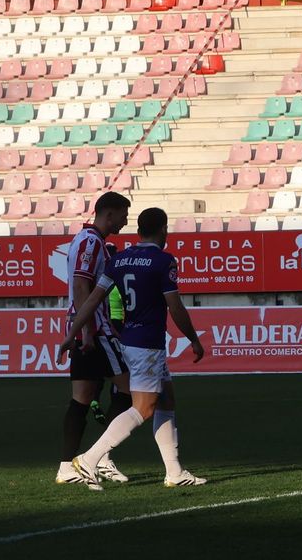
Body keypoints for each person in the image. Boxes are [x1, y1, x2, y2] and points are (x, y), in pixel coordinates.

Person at [60, 208, 205, 489]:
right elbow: (175, 306)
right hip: (147, 344)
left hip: (129, 340)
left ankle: (174, 472)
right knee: (144, 407)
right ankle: (89, 460)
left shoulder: (120, 259)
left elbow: (91, 299)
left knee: (165, 400)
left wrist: (72, 333)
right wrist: (194, 339)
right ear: (163, 229)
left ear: (138, 230)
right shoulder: (164, 261)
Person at [56, 191, 133, 487]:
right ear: (109, 214)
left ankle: (67, 466)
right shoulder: (91, 241)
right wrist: (87, 330)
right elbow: (80, 284)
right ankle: (99, 457)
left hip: (87, 328)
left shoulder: (90, 240)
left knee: (82, 399)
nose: (126, 221)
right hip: (97, 331)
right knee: (130, 393)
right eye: (123, 215)